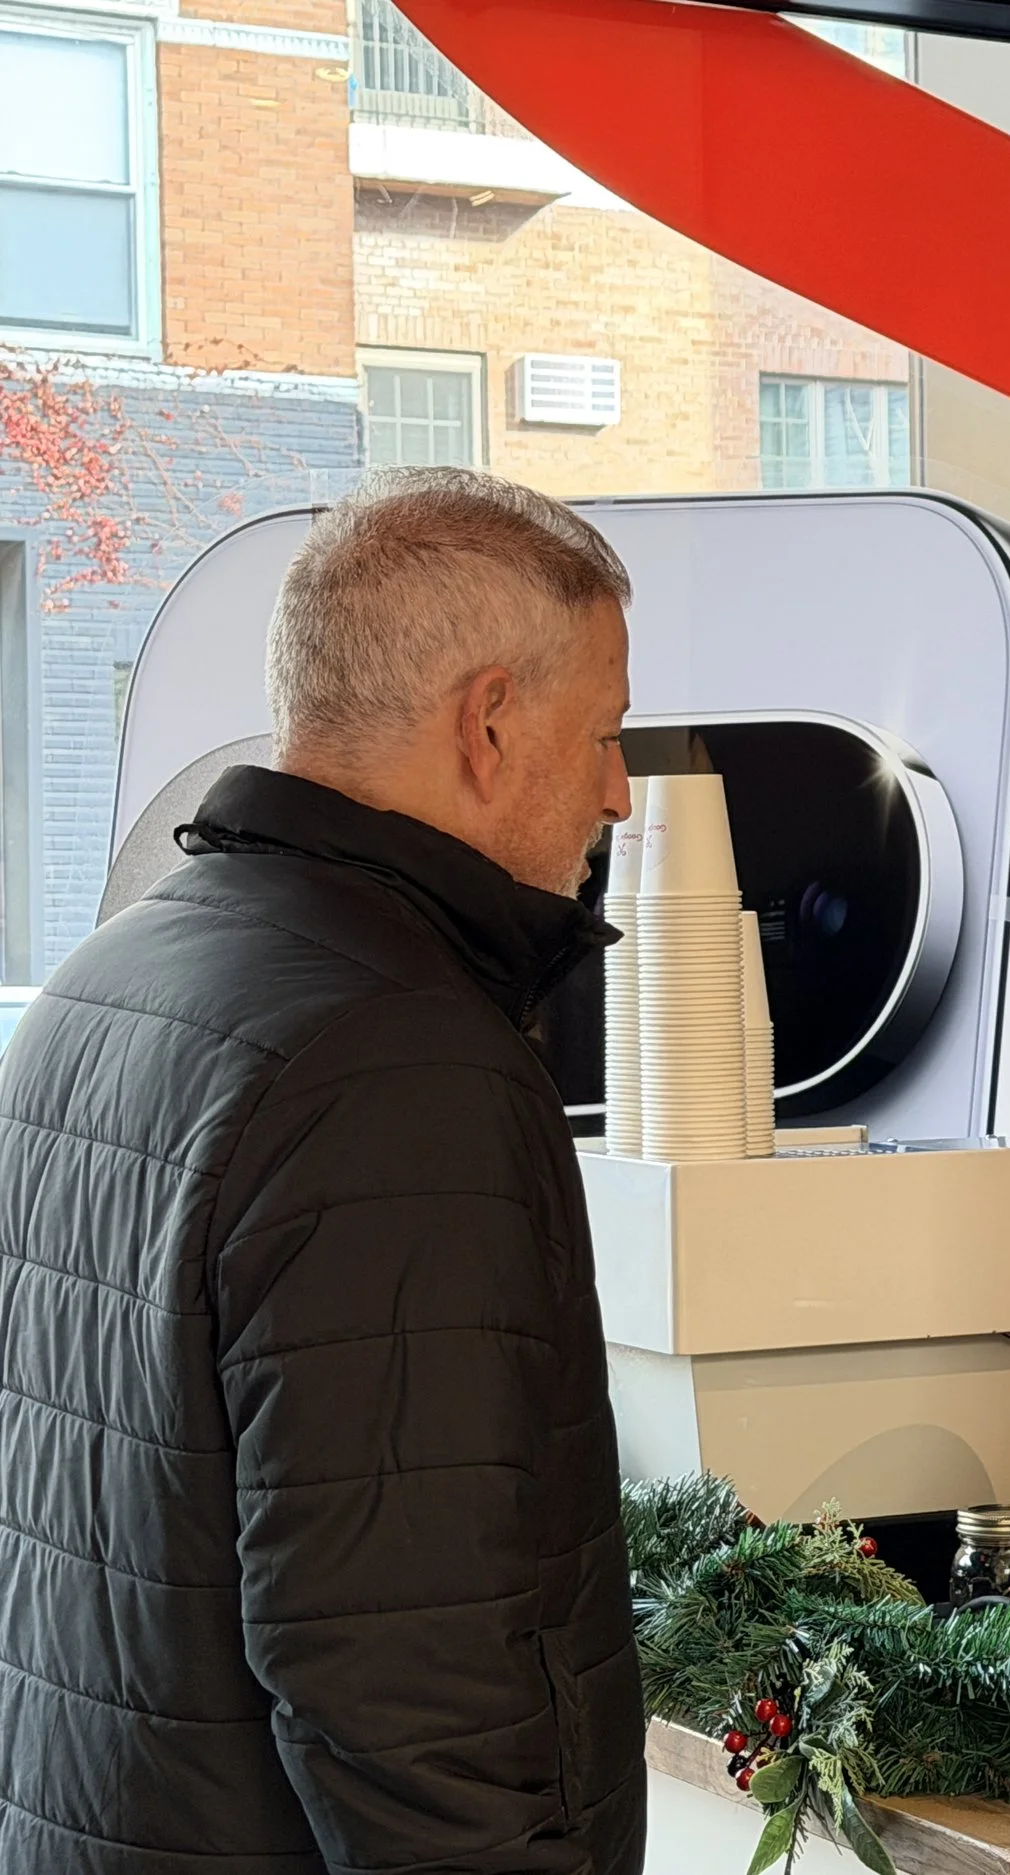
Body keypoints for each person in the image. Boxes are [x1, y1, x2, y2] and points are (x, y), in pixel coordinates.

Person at [0, 469, 646, 1872]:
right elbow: (408, 1678)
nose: (619, 789)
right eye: (603, 731)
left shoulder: (103, 979)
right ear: (488, 722)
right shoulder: (398, 1061)